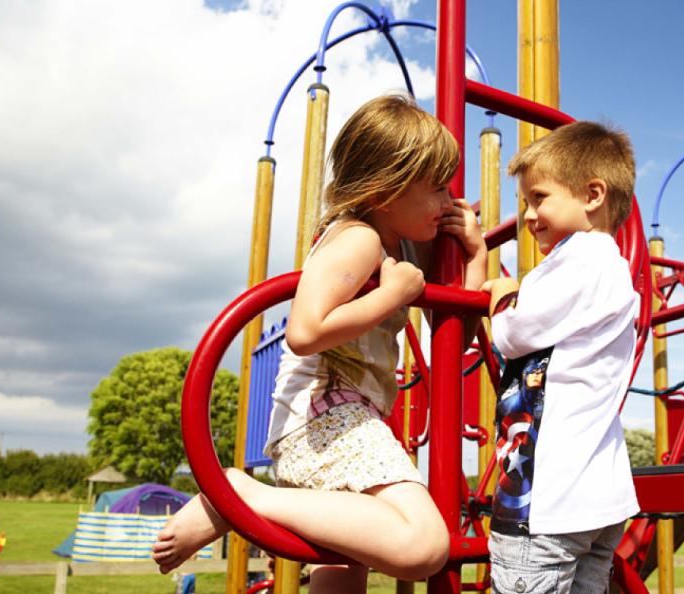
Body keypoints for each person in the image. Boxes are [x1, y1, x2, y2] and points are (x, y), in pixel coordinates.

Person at [152, 94, 487, 593]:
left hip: (334, 418)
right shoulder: (360, 238)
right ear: (385, 191)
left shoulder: (398, 241)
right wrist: (390, 297)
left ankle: (244, 496)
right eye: (437, 188)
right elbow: (305, 331)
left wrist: (475, 252)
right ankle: (242, 494)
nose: (447, 202)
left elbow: (453, 328)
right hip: (328, 412)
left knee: (341, 571)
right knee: (424, 544)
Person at [482, 121, 640, 594]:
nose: (529, 215)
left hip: (548, 500)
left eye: (539, 198)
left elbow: (511, 334)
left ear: (593, 194)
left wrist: (501, 296)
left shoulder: (577, 262)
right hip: (597, 499)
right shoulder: (610, 267)